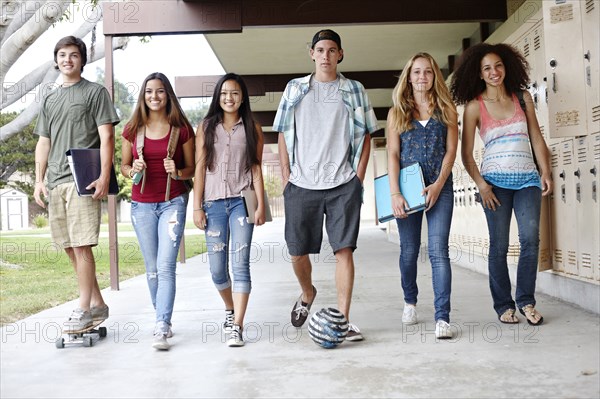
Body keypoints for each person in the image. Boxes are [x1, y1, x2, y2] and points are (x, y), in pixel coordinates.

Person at [273, 29, 378, 342]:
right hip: (301, 184)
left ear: (340, 54)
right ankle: (308, 292)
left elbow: (366, 135)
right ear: (312, 53)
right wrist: (286, 175)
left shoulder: (354, 90)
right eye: (320, 50)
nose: (326, 56)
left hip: (343, 183)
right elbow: (281, 133)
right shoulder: (294, 89)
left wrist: (358, 178)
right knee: (296, 251)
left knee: (344, 250)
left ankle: (343, 321)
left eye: (332, 50)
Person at [450, 43, 552, 326]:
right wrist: (482, 185)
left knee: (530, 241)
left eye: (498, 66)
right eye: (487, 68)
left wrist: (545, 171)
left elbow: (536, 137)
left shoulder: (523, 98)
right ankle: (503, 305)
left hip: (528, 180)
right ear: (479, 74)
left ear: (506, 67)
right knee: (499, 246)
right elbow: (466, 154)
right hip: (494, 185)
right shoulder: (474, 107)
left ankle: (527, 302)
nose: (494, 72)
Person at [33, 36, 120, 333]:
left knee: (82, 245)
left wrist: (105, 175)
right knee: (70, 247)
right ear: (55, 59)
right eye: (62, 54)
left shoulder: (95, 93)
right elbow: (44, 142)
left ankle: (83, 307)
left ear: (82, 59)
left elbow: (107, 137)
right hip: (55, 182)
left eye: (73, 55)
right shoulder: (49, 98)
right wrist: (38, 181)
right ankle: (96, 302)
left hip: (82, 179)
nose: (67, 59)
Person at [121, 72, 195, 350]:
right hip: (141, 206)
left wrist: (177, 172)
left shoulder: (182, 129)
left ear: (168, 95)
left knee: (165, 266)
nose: (154, 96)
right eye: (149, 91)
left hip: (172, 203)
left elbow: (193, 169)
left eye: (160, 91)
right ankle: (160, 319)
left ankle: (162, 325)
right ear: (143, 96)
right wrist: (133, 169)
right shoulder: (132, 129)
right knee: (151, 269)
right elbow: (124, 167)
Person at [387, 53, 458, 339]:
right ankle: (410, 300)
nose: (422, 77)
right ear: (409, 76)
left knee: (439, 252)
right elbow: (393, 154)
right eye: (416, 72)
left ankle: (443, 317)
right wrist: (395, 192)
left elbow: (451, 151)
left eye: (428, 72)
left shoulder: (447, 109)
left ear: (435, 76)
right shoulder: (397, 112)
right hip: (408, 189)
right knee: (409, 251)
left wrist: (440, 183)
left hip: (441, 187)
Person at [193, 73, 266, 348]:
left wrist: (259, 205)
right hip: (213, 203)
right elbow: (200, 167)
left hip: (242, 200)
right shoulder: (207, 126)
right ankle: (230, 308)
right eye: (224, 93)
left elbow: (256, 167)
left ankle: (237, 326)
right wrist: (196, 207)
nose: (229, 98)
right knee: (217, 271)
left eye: (235, 93)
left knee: (241, 264)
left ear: (242, 97)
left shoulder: (253, 128)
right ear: (218, 96)